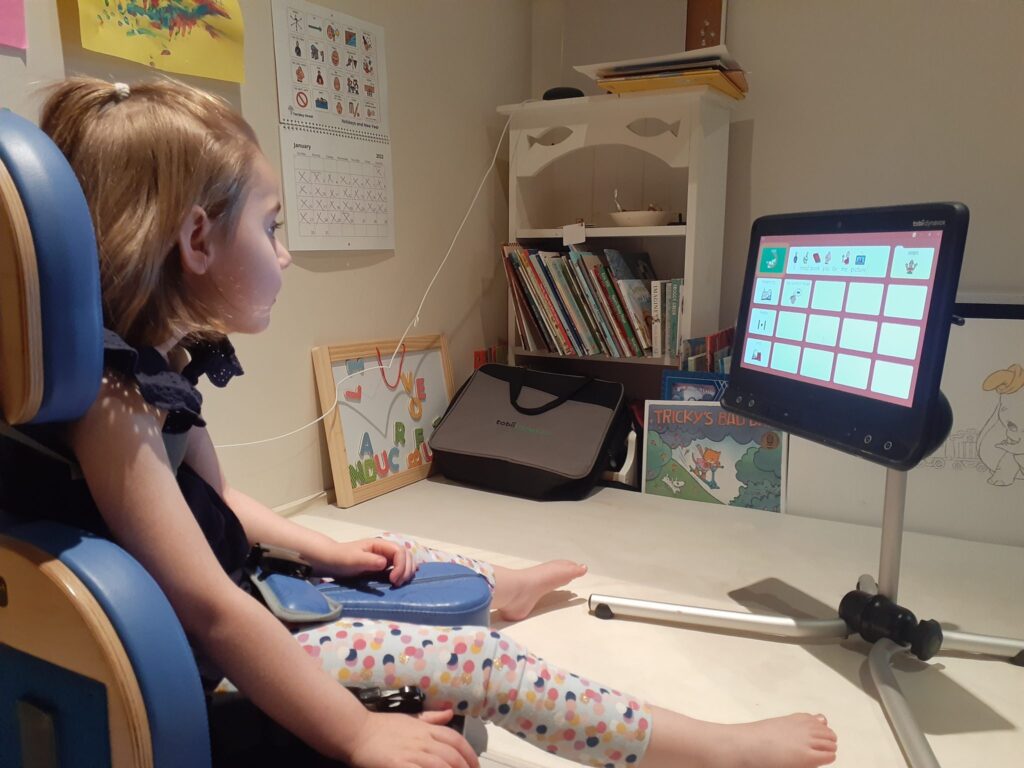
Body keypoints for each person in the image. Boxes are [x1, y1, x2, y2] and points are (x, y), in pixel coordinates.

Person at [26, 77, 837, 768]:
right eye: (272, 226)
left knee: (389, 560)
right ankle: (712, 751)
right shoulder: (112, 398)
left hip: (241, 596)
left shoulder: (157, 368)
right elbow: (209, 608)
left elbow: (219, 505)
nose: (287, 254)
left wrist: (332, 550)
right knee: (483, 662)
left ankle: (494, 589)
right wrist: (355, 732)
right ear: (197, 240)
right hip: (213, 661)